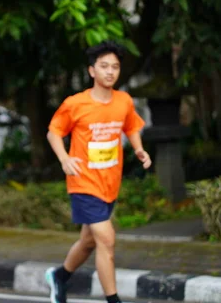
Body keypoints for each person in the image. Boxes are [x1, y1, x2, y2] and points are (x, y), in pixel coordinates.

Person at [45, 41, 152, 303]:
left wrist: (138, 149)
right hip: (83, 182)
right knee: (107, 239)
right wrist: (64, 158)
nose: (110, 71)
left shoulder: (124, 101)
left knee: (89, 242)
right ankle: (113, 300)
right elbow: (54, 132)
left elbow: (131, 126)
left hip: (109, 184)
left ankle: (60, 276)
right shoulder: (76, 103)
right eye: (104, 66)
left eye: (115, 67)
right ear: (92, 70)